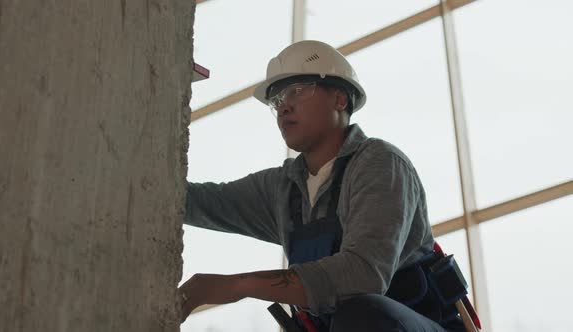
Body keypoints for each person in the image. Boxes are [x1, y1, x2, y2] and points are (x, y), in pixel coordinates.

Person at [178, 40, 466, 331]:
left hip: (398, 324)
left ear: (340, 99)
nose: (283, 107)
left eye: (297, 91)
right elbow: (196, 203)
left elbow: (362, 275)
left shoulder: (380, 164)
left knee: (363, 314)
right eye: (277, 100)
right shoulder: (284, 188)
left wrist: (239, 285)